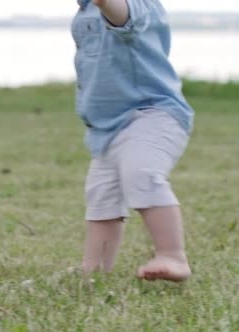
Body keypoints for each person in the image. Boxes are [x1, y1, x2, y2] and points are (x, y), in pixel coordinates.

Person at [73, 0, 194, 281]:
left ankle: (172, 254)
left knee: (141, 174)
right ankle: (95, 268)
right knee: (102, 196)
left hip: (151, 115)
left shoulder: (136, 5)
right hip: (108, 126)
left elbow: (116, 10)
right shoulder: (85, 10)